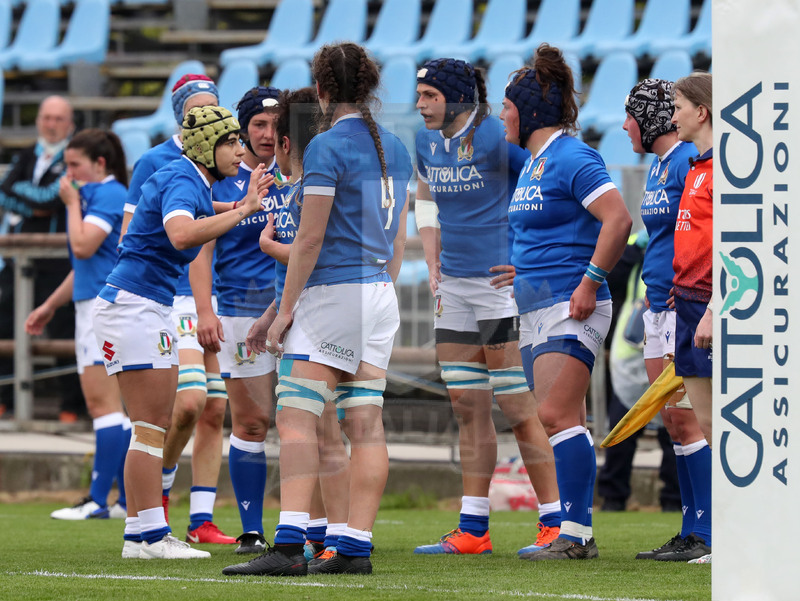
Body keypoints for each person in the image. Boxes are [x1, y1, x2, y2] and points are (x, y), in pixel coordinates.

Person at [223, 41, 413, 577]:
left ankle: (287, 547)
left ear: (323, 90)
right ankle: (354, 546)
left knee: (297, 416)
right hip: (377, 291)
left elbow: (308, 241)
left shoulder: (327, 147)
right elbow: (396, 239)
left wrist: (282, 313)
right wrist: (377, 287)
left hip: (334, 293)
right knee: (366, 423)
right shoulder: (395, 147)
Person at [93, 105, 273, 559]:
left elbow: (198, 208)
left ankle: (139, 534)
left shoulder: (188, 176)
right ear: (205, 147)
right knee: (151, 428)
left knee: (150, 427)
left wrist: (235, 205)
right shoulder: (182, 178)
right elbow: (180, 233)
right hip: (136, 308)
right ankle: (151, 536)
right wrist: (245, 210)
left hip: (136, 306)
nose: (239, 150)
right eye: (230, 142)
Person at [410, 58, 560, 557]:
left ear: (455, 98)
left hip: (498, 288)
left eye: (429, 95)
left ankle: (555, 524)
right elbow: (426, 195)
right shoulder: (425, 140)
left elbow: (544, 188)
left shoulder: (499, 136)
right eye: (419, 95)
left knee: (518, 407)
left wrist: (524, 260)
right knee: (466, 406)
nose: (420, 105)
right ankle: (473, 528)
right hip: (452, 287)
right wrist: (431, 255)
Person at [500, 43, 632, 561]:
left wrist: (589, 280)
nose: (503, 115)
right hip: (536, 297)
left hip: (570, 302)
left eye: (508, 107)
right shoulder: (536, 161)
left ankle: (575, 535)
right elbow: (552, 228)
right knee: (561, 415)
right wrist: (525, 268)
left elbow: (618, 219)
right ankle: (573, 531)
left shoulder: (573, 155)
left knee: (555, 414)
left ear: (530, 111)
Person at [123, 74, 236, 545]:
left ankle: (194, 519)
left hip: (203, 296)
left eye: (213, 107)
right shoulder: (162, 164)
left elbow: (209, 219)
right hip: (165, 300)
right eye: (197, 110)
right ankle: (155, 507)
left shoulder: (216, 166)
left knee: (213, 408)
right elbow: (167, 234)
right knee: (180, 407)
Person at [255, 86, 352, 566]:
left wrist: (271, 248)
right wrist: (270, 315)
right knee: (314, 428)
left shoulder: (310, 187)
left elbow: (313, 253)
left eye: (277, 130)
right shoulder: (280, 187)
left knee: (315, 428)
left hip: (318, 312)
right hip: (296, 313)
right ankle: (322, 534)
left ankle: (329, 536)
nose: (270, 139)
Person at [619, 78, 712, 562]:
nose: (623, 125)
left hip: (678, 305)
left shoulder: (683, 162)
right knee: (675, 423)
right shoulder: (659, 167)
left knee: (689, 421)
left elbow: (695, 234)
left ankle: (707, 531)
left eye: (631, 115)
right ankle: (690, 528)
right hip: (657, 307)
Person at [190, 86, 285, 553]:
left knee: (307, 418)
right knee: (251, 423)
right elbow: (200, 250)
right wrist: (205, 310)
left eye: (275, 124)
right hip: (238, 315)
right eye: (258, 125)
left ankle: (314, 528)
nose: (268, 134)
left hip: (296, 310)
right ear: (241, 130)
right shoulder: (221, 184)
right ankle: (251, 531)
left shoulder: (300, 174)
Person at [25, 129, 130, 520]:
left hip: (104, 308)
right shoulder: (95, 195)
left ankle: (99, 501)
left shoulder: (109, 194)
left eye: (74, 165)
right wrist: (50, 305)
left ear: (99, 164)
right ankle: (118, 501)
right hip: (92, 304)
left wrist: (70, 204)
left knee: (103, 406)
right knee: (109, 407)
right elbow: (85, 264)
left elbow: (84, 246)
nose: (66, 174)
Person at [0, 95, 84, 421]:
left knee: (64, 330)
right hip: (19, 259)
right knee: (6, 325)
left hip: (57, 261)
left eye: (58, 119)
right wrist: (30, 203)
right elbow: (5, 192)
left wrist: (25, 198)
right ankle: (4, 397)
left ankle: (70, 407)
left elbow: (50, 201)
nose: (51, 124)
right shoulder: (25, 156)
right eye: (46, 117)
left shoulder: (74, 160)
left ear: (70, 124)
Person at [663, 72, 714, 565]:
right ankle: (721, 536)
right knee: (708, 424)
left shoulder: (727, 169)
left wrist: (718, 307)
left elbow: (737, 247)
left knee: (724, 428)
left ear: (702, 111)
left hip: (712, 309)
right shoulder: (696, 166)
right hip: (688, 302)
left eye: (678, 106)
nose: (671, 114)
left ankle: (728, 537)